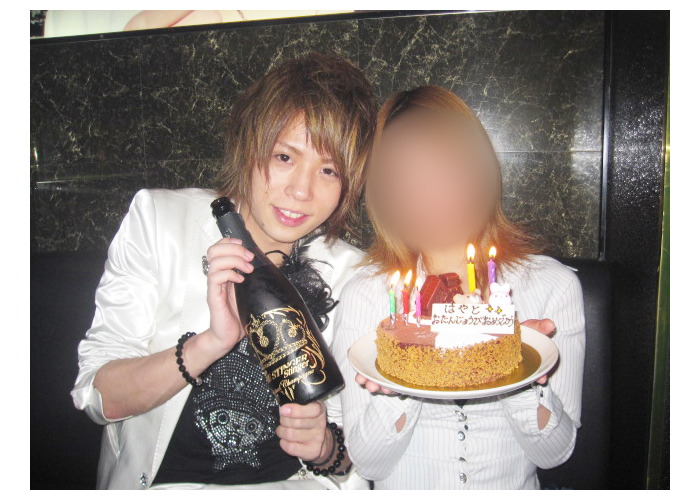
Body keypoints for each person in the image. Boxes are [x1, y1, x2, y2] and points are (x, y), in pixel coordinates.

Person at [71, 52, 376, 490]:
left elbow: (359, 458)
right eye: (284, 157)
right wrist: (210, 343)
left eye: (329, 170)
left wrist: (325, 447)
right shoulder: (161, 222)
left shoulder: (353, 274)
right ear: (249, 145)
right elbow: (99, 397)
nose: (302, 190)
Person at [331, 85, 585, 489]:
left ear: (479, 169)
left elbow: (555, 454)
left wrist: (517, 366)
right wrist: (403, 379)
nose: (431, 194)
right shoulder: (368, 294)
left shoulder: (552, 286)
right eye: (407, 179)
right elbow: (369, 464)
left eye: (446, 171)